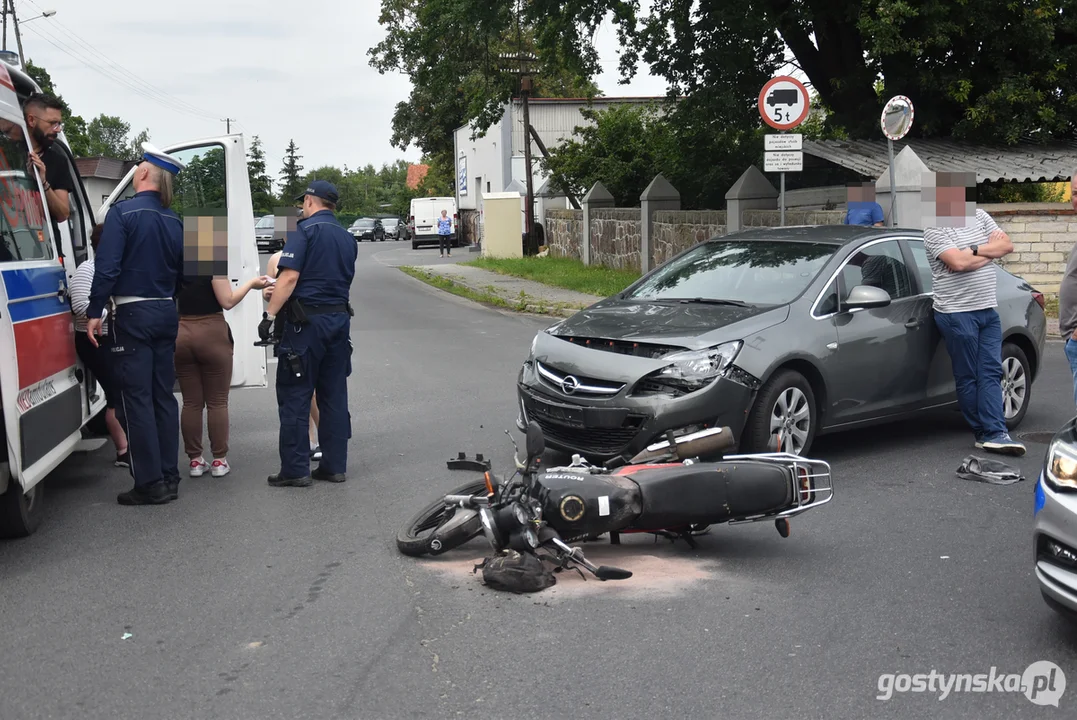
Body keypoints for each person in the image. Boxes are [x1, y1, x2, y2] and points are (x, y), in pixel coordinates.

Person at [86, 142, 187, 505]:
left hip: (133, 313)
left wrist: (94, 311)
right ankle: (169, 476)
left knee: (136, 399)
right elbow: (184, 275)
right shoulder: (175, 220)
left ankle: (149, 483)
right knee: (163, 397)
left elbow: (107, 267)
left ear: (143, 174)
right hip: (165, 311)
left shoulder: (122, 213)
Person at [921, 171, 1025, 456]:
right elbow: (957, 263)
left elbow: (1007, 245)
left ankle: (995, 431)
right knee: (969, 376)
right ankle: (984, 431)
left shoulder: (979, 216)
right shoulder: (934, 228)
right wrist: (987, 254)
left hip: (987, 310)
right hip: (956, 313)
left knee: (991, 371)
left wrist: (976, 250)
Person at [262, 180, 356, 487]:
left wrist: (269, 314)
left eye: (304, 201)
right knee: (333, 396)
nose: (302, 206)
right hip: (339, 323)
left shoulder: (303, 232)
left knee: (295, 395)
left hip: (306, 327)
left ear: (312, 201)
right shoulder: (347, 237)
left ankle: (295, 469)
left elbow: (288, 279)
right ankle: (334, 466)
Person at [176, 271, 269, 479]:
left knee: (191, 402)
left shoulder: (175, 260)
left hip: (181, 332)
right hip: (212, 332)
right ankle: (219, 460)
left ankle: (195, 460)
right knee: (217, 401)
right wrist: (251, 284)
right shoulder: (209, 260)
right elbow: (227, 301)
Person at [69, 224, 130, 467]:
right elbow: (81, 306)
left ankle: (127, 447)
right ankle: (123, 451)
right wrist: (113, 313)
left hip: (112, 339)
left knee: (120, 391)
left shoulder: (115, 268)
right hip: (95, 340)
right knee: (116, 393)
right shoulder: (88, 269)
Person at [264, 248, 322, 460]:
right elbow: (267, 291)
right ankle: (309, 439)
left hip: (304, 322)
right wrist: (268, 293)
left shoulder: (309, 254)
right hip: (283, 325)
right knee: (295, 385)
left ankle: (323, 435)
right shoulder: (276, 258)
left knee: (310, 389)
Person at [22, 93, 73, 223]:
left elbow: (63, 214)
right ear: (31, 120)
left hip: (46, 241)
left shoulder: (58, 160)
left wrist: (43, 182)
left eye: (59, 123)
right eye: (52, 123)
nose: (58, 129)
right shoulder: (9, 152)